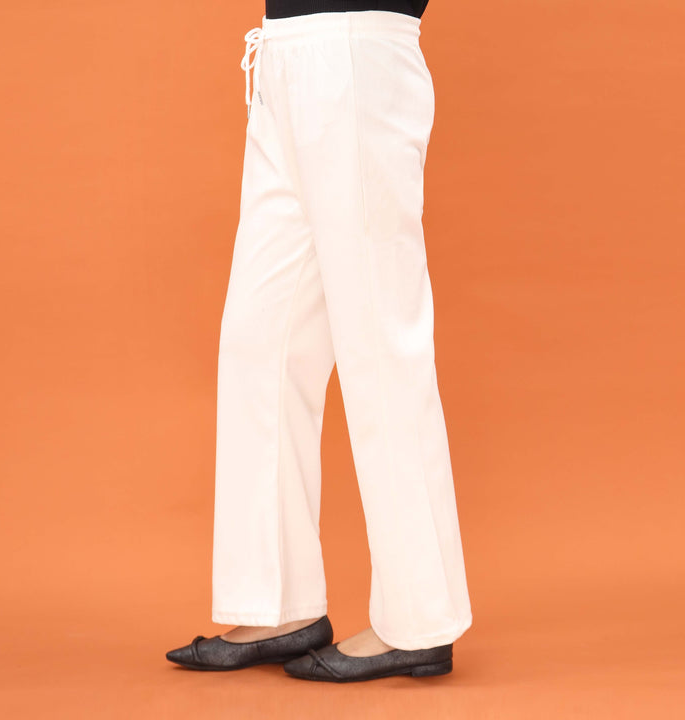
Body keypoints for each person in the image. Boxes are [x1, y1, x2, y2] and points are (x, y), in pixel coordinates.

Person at [166, 0, 472, 682]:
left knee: (380, 345)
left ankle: (420, 618)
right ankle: (278, 603)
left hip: (359, 53)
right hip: (284, 56)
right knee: (261, 343)